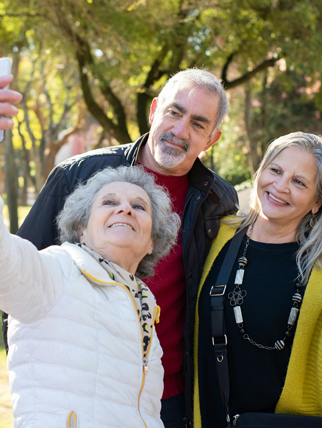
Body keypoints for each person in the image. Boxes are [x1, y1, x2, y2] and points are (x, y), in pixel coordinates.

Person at [0, 68, 239, 427]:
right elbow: (16, 268)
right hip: (75, 386)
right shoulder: (76, 175)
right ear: (155, 109)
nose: (179, 130)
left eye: (198, 123)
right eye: (174, 112)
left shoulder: (218, 200)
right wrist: (39, 361)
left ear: (212, 138)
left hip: (165, 392)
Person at [0, 165, 180, 428]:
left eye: (139, 207)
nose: (126, 209)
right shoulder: (56, 270)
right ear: (81, 228)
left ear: (152, 240)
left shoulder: (144, 308)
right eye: (109, 202)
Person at [193, 132, 322, 428]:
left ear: (317, 202)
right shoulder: (218, 235)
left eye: (299, 182)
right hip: (212, 418)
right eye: (275, 171)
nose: (280, 187)